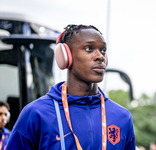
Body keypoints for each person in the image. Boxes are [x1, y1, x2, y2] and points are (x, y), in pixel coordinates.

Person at [6, 24, 136, 150]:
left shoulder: (122, 117)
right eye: (89, 48)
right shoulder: (35, 113)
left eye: (103, 50)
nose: (100, 56)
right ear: (65, 56)